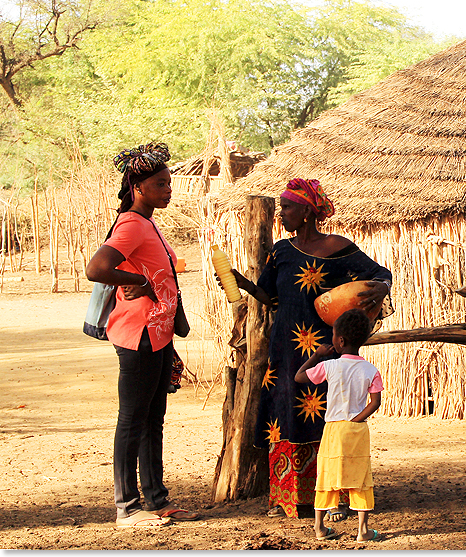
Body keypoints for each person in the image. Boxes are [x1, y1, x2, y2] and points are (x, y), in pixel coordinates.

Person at [221, 178, 392, 519]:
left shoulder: (338, 247)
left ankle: (337, 498)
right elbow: (270, 297)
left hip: (329, 350)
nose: (281, 214)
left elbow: (380, 273)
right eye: (282, 207)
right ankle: (287, 497)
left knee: (334, 415)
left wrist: (381, 287)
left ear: (308, 211)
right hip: (285, 350)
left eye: (287, 207)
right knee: (285, 413)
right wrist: (243, 285)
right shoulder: (281, 251)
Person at [85, 142, 200, 528]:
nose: (169, 190)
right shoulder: (132, 223)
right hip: (137, 334)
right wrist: (138, 281)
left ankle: (155, 499)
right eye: (162, 184)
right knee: (133, 419)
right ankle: (127, 507)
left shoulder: (149, 222)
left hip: (158, 333)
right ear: (138, 188)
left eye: (169, 183)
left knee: (153, 418)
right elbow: (97, 268)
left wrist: (151, 282)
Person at [295, 308, 384, 543]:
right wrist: (358, 418)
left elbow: (299, 377)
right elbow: (375, 402)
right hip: (357, 429)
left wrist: (317, 355)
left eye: (333, 335)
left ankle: (320, 528)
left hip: (333, 428)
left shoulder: (330, 366)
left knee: (327, 474)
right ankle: (363, 531)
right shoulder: (370, 370)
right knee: (361, 477)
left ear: (340, 340)